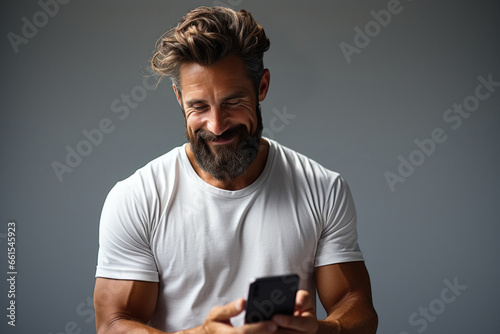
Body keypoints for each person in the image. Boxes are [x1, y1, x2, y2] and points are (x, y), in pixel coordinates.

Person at [93, 6, 378, 334]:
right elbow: (113, 325)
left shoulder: (323, 189)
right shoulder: (136, 198)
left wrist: (320, 331)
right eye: (198, 106)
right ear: (178, 98)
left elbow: (357, 307)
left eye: (232, 102)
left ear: (262, 87)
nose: (216, 126)